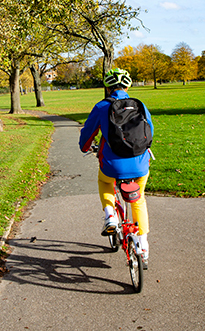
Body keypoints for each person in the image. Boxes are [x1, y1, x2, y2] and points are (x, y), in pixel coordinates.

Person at [79, 68, 154, 263]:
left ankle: (110, 215)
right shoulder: (140, 105)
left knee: (105, 182)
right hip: (140, 164)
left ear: (108, 87)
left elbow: (88, 133)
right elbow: (150, 131)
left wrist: (84, 147)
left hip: (112, 165)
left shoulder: (102, 106)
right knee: (139, 200)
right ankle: (143, 245)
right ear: (128, 86)